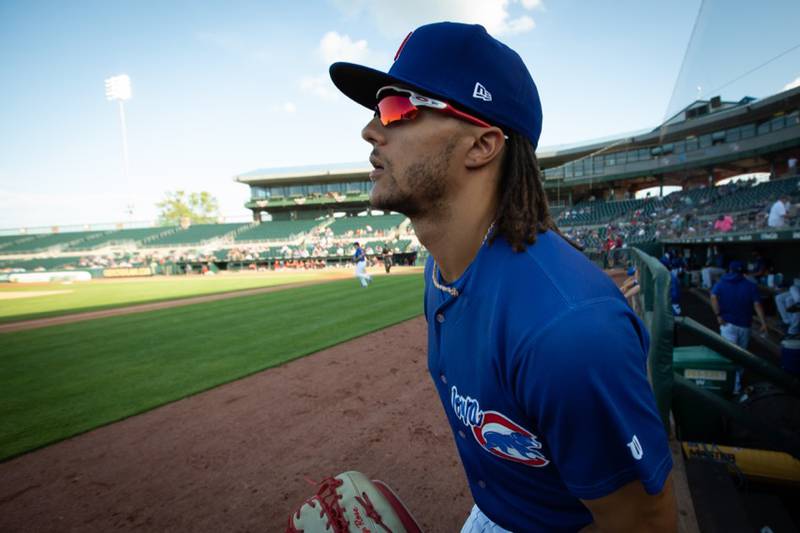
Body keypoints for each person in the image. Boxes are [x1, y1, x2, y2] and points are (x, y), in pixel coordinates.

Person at [330, 21, 675, 532]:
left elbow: (645, 527)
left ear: (482, 146)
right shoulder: (441, 267)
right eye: (377, 108)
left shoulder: (570, 335)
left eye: (398, 107)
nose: (371, 128)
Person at [710, 260, 768, 349]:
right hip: (745, 325)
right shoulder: (751, 285)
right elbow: (757, 305)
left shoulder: (721, 282)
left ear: (730, 270)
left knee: (729, 354)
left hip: (727, 323)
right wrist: (763, 323)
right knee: (742, 354)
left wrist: (718, 315)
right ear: (743, 271)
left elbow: (713, 297)